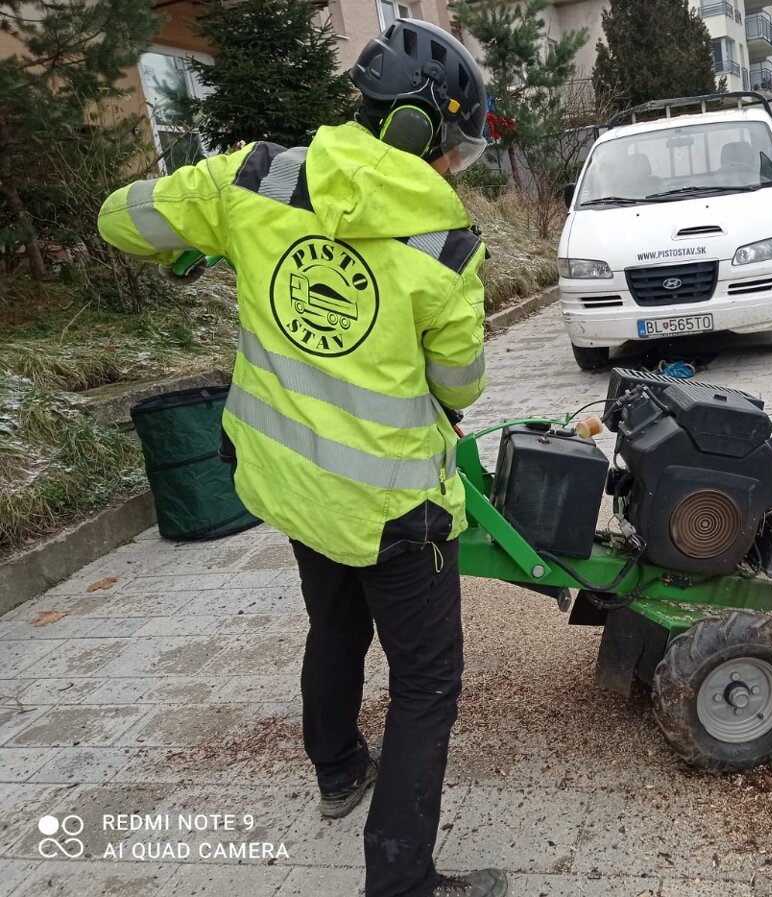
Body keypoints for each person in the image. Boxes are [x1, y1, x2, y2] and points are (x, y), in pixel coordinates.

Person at [97, 19, 506, 897]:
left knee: (335, 622)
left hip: (293, 487)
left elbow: (118, 220)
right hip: (398, 510)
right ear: (417, 129)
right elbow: (459, 384)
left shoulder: (255, 178)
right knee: (429, 683)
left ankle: (337, 770)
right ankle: (400, 882)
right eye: (454, 151)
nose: (450, 174)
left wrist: (205, 229)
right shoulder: (446, 249)